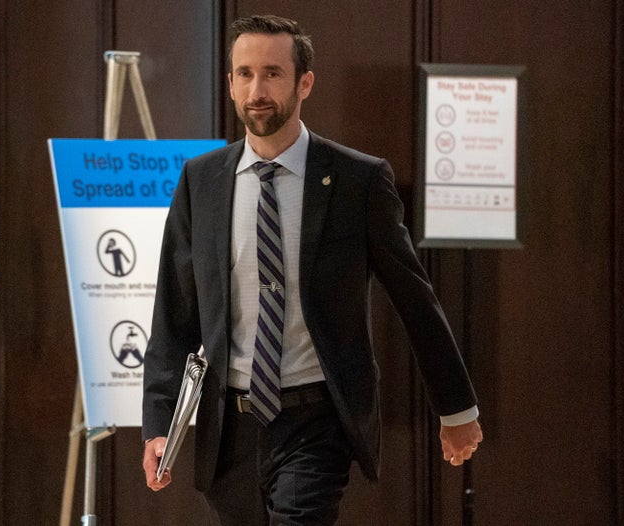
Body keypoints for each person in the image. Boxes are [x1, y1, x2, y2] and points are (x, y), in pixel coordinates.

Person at [142, 14, 483, 526]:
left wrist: (456, 409)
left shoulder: (357, 181)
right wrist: (159, 423)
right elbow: (173, 313)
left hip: (315, 419)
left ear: (305, 82)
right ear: (231, 83)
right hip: (226, 427)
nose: (257, 90)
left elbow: (416, 300)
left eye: (273, 74)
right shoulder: (201, 181)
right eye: (245, 74)